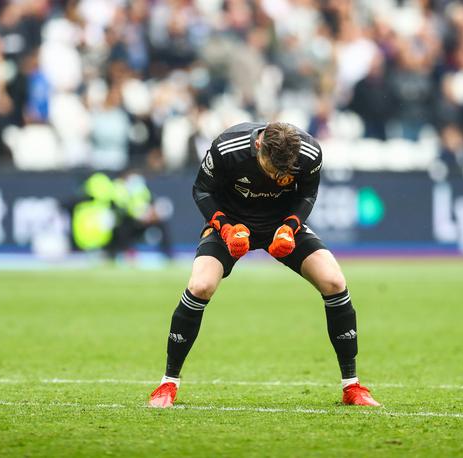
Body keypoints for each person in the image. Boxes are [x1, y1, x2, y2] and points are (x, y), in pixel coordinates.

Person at [148, 122, 380, 408]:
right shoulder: (226, 147)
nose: (278, 177)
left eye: (285, 172)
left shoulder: (309, 154)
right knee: (200, 285)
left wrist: (291, 226)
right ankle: (167, 385)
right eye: (273, 169)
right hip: (231, 224)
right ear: (259, 146)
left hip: (280, 225)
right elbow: (201, 191)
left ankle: (352, 387)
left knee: (334, 281)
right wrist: (225, 228)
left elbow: (307, 195)